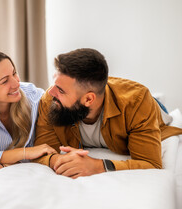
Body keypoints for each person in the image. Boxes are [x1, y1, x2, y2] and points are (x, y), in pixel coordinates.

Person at [34, 48, 182, 178]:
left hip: (150, 107)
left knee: (153, 103)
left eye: (60, 90)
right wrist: (58, 160)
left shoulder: (137, 102)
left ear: (88, 99)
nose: (51, 92)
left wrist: (98, 165)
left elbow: (150, 163)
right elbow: (42, 150)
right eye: (54, 84)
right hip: (105, 93)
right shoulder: (51, 99)